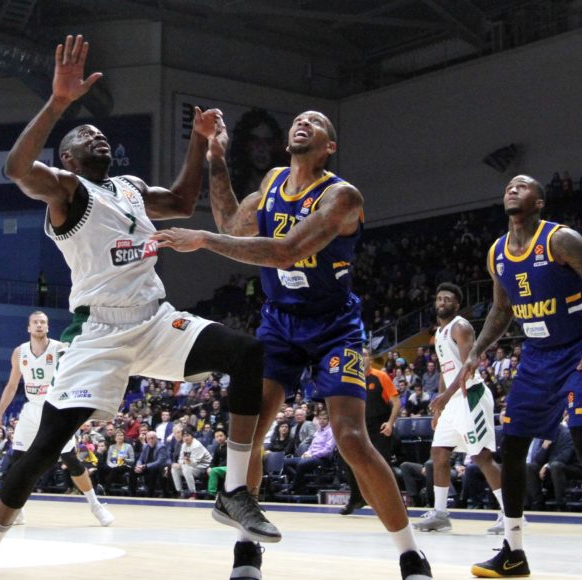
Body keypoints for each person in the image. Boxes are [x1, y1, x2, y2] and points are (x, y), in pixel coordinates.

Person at [0, 36, 276, 580]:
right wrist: (59, 102)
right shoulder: (67, 191)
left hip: (154, 320)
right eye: (85, 135)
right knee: (42, 451)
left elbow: (182, 202)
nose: (97, 135)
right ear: (68, 158)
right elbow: (17, 168)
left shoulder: (128, 187)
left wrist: (199, 142)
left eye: (100, 133)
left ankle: (233, 492)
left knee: (247, 354)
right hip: (99, 335)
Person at [152, 109, 432, 578]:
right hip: (280, 323)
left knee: (351, 438)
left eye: (316, 122)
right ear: (287, 141)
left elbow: (287, 251)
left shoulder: (342, 196)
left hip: (334, 326)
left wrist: (202, 240)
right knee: (250, 431)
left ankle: (410, 554)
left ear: (329, 146)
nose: (304, 122)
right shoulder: (273, 182)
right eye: (299, 119)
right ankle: (247, 551)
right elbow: (231, 224)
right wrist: (216, 156)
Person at [460, 175, 582, 578]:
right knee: (512, 446)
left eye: (522, 186)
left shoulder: (560, 240)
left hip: (577, 352)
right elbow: (501, 310)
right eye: (508, 186)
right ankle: (513, 552)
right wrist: (476, 351)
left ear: (539, 202)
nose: (512, 189)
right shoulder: (496, 253)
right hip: (536, 358)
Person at [0, 311, 114, 526]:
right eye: (35, 322)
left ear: (47, 327)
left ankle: (96, 506)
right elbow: (12, 385)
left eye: (43, 322)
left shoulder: (59, 349)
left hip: (55, 407)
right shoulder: (19, 352)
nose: (39, 325)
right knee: (17, 461)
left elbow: (77, 376)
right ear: (28, 327)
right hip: (31, 409)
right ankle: (17, 510)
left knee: (70, 460)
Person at [415, 284, 507, 534]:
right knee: (439, 453)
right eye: (439, 298)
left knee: (481, 456)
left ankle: (510, 514)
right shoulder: (439, 333)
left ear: (456, 305)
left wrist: (445, 397)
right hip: (453, 400)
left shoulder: (461, 326)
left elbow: (469, 368)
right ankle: (441, 515)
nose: (442, 302)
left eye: (447, 299)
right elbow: (445, 372)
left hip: (471, 395)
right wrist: (439, 409)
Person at [339, 346, 401, 516]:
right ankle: (356, 498)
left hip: (379, 428)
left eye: (365, 355)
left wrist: (390, 423)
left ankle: (395, 503)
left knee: (383, 467)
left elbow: (396, 402)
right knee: (348, 460)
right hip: (359, 428)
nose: (361, 358)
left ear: (370, 359)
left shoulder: (380, 376)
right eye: (359, 355)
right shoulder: (352, 379)